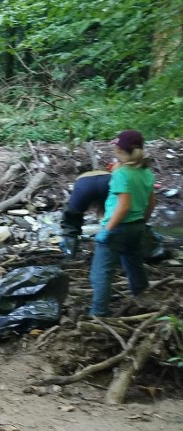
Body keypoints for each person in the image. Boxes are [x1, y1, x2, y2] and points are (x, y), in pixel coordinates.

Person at [89, 130, 156, 317]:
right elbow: (152, 203)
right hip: (137, 226)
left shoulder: (122, 174)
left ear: (119, 149)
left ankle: (98, 313)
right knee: (135, 266)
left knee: (101, 273)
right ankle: (143, 300)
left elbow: (124, 205)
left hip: (117, 228)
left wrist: (107, 230)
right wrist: (143, 221)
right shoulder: (146, 172)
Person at [60, 170, 112, 258]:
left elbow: (75, 211)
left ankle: (69, 255)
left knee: (71, 221)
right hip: (108, 180)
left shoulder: (81, 179)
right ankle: (114, 254)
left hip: (84, 184)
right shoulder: (108, 174)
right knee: (115, 216)